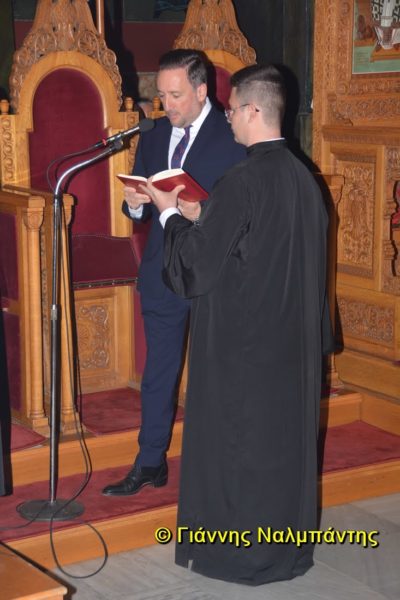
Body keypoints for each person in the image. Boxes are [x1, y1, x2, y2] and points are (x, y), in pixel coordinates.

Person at [142, 64, 333, 585]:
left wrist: (168, 214)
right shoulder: (303, 177)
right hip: (289, 347)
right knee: (281, 454)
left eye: (230, 110)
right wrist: (203, 215)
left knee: (242, 451)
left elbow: (195, 269)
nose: (226, 118)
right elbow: (263, 242)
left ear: (252, 110)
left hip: (243, 349)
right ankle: (285, 553)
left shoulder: (242, 180)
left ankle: (239, 555)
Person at [102, 49, 246, 497]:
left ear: (203, 91)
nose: (167, 105)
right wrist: (134, 203)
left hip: (214, 275)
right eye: (162, 95)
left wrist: (202, 211)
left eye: (176, 95)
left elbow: (245, 210)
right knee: (158, 375)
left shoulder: (234, 136)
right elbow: (140, 207)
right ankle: (150, 462)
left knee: (217, 374)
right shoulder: (155, 133)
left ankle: (220, 466)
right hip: (164, 272)